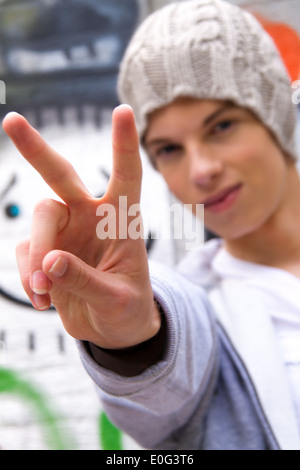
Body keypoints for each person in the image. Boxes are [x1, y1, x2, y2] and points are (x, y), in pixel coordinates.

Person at [2, 0, 300, 450]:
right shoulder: (200, 317)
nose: (200, 170)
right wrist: (131, 339)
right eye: (168, 149)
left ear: (275, 117)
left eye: (221, 125)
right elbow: (167, 385)